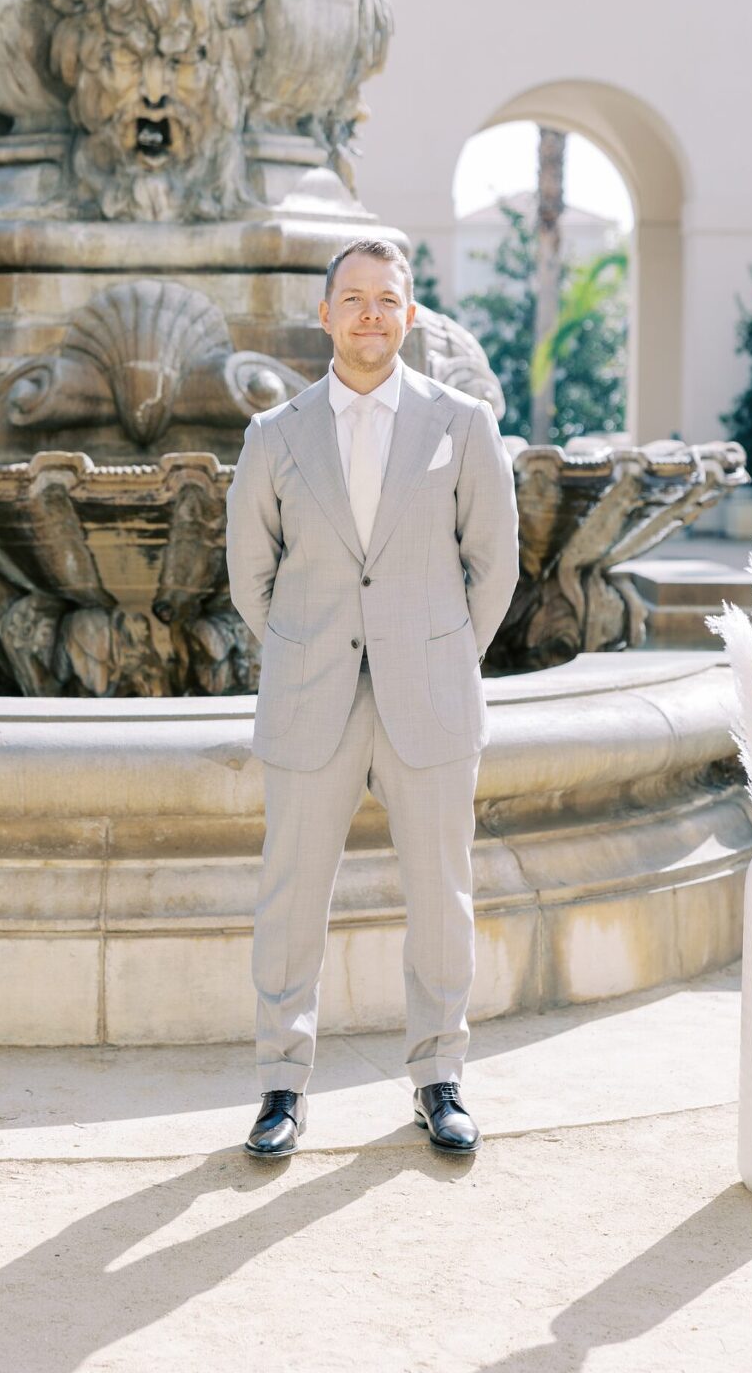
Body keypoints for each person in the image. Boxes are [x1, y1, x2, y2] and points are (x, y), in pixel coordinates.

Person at [225, 237, 519, 1158]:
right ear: (325, 315)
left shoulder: (462, 425)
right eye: (351, 299)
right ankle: (281, 1085)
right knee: (289, 897)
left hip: (429, 694)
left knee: (442, 893)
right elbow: (250, 580)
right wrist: (308, 646)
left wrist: (443, 653)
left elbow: (494, 564)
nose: (369, 315)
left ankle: (440, 1076)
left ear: (411, 315)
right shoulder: (272, 436)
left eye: (386, 300)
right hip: (311, 694)